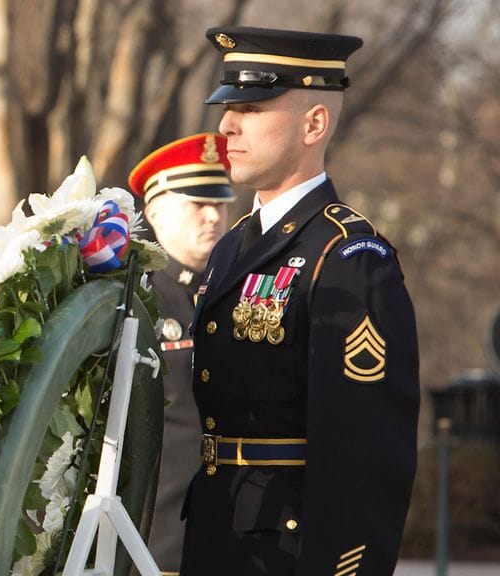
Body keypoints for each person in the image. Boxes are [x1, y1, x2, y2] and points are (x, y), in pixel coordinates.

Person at [181, 27, 419, 575]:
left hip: (289, 553)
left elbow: (366, 453)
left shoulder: (350, 257)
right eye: (227, 106)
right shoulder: (234, 246)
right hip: (220, 538)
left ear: (315, 123)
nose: (226, 124)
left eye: (254, 107)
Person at [127, 132, 236, 575]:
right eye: (197, 202)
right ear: (154, 211)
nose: (213, 216)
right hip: (157, 542)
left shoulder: (236, 294)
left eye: (221, 202)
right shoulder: (134, 300)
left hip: (232, 538)